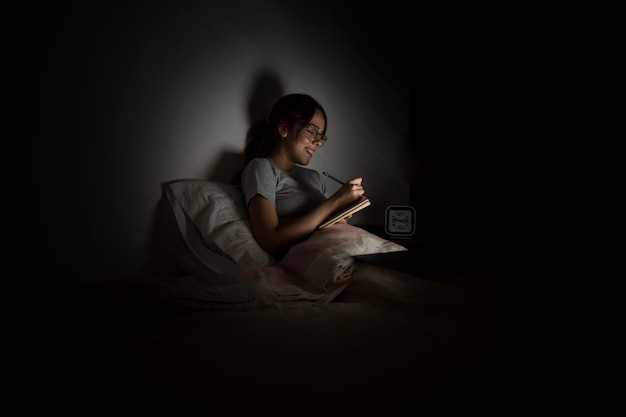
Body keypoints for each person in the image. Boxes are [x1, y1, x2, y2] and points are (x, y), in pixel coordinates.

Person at [240, 93, 365, 258]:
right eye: (312, 131)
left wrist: (341, 213)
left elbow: (323, 222)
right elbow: (271, 240)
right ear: (284, 129)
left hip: (344, 246)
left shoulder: (314, 177)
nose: (318, 142)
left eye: (321, 135)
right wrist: (336, 201)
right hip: (318, 256)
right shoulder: (262, 168)